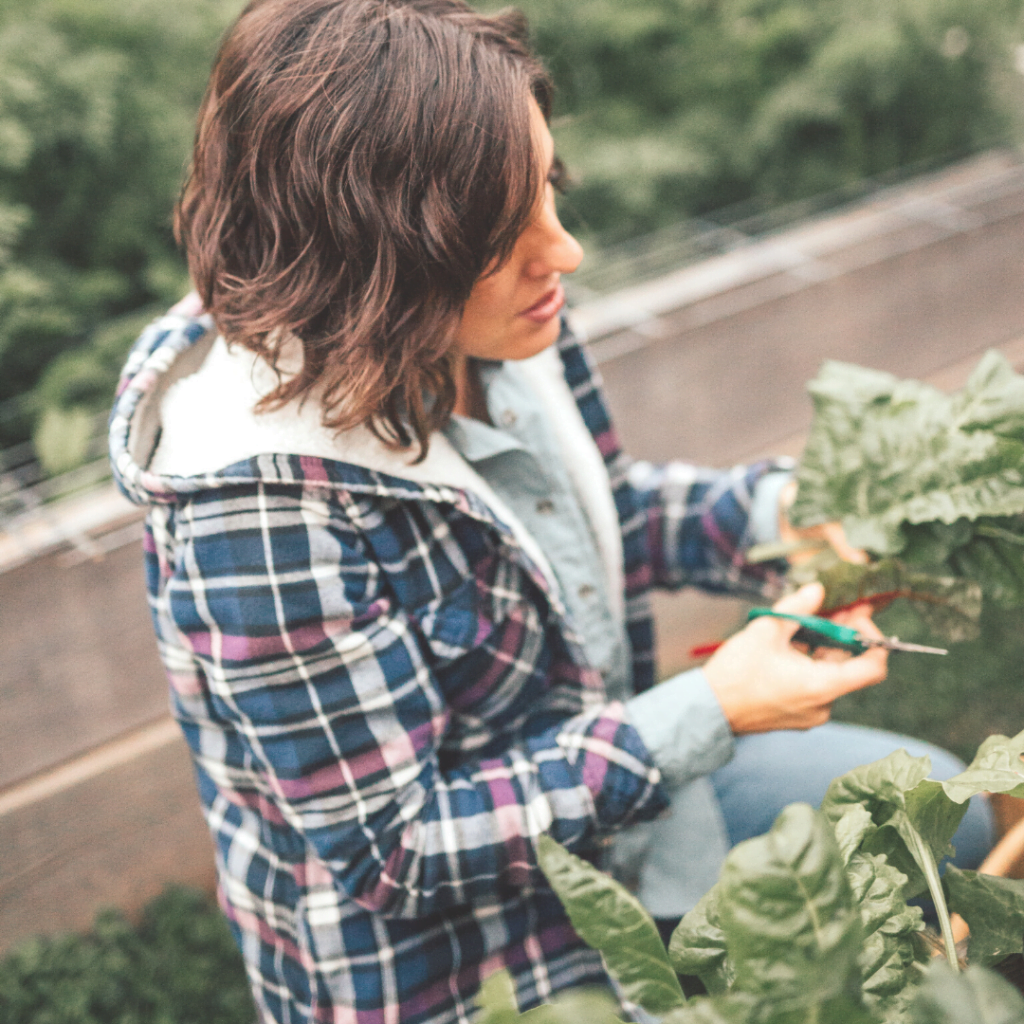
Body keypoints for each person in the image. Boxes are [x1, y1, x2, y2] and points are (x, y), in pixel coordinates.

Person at [108, 1, 993, 1020]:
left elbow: (593, 514)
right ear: (370, 265)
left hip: (617, 825)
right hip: (459, 965)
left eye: (548, 192)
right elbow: (398, 849)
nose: (561, 253)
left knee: (942, 808)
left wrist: (776, 515)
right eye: (499, 235)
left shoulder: (480, 327)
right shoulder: (254, 506)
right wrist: (710, 711)